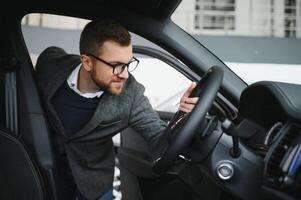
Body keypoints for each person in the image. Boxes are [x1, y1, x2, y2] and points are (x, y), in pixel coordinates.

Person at [35, 18, 198, 200]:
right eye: (116, 66)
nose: (125, 74)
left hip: (94, 182)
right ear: (87, 62)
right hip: (41, 171)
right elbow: (46, 57)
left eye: (128, 64)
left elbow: (160, 140)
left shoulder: (131, 94)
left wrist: (182, 116)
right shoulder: (51, 66)